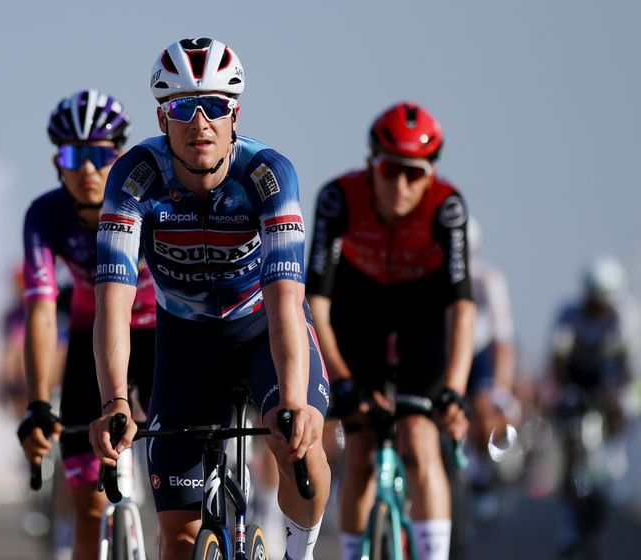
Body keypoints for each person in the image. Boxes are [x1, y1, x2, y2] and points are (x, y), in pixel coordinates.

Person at [90, 37, 331, 560]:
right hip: (186, 341)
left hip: (262, 328)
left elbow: (287, 298)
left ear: (234, 114)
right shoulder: (133, 179)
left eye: (215, 106)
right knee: (177, 539)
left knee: (300, 448)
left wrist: (293, 400)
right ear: (162, 119)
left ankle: (300, 553)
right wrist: (113, 402)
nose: (200, 122)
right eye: (182, 107)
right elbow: (114, 302)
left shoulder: (268, 176)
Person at [306, 102, 475, 560]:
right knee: (359, 447)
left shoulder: (448, 207)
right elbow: (316, 303)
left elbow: (461, 307)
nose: (400, 186)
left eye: (414, 174)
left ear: (432, 175)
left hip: (420, 316)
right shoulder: (337, 198)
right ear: (369, 164)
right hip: (357, 314)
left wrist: (455, 391)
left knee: (419, 440)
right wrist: (340, 378)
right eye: (388, 170)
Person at [16, 89, 157, 560]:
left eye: (101, 155)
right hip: (92, 340)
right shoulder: (45, 216)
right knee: (90, 508)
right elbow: (40, 309)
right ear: (58, 160)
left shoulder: (153, 200)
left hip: (164, 335)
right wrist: (38, 402)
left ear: (120, 155)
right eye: (74, 155)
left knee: (186, 495)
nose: (89, 170)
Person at [549, 255, 639, 557]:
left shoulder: (625, 315)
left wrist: (616, 396)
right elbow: (558, 359)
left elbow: (629, 364)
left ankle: (614, 462)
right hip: (577, 380)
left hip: (611, 381)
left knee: (623, 409)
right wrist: (566, 391)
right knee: (571, 442)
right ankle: (567, 525)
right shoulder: (569, 313)